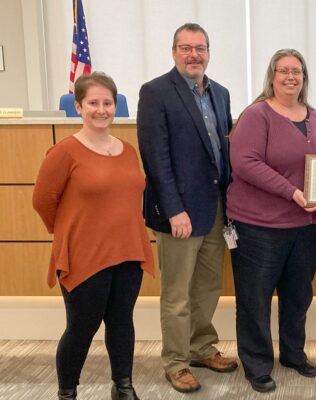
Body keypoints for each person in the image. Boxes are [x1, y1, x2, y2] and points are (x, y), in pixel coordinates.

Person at [226, 48, 316, 393]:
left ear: (305, 78)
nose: (291, 77)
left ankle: (293, 353)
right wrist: (291, 192)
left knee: (298, 295)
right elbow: (245, 162)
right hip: (259, 226)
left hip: (307, 227)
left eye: (297, 71)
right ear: (272, 76)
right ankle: (258, 365)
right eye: (284, 71)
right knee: (255, 298)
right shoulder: (256, 114)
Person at [32, 72, 155, 400]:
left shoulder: (128, 150)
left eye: (107, 103)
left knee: (121, 321)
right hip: (84, 254)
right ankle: (67, 392)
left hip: (128, 249)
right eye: (93, 103)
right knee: (82, 327)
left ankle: (123, 386)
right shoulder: (64, 152)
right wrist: (70, 232)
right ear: (78, 106)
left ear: (115, 106)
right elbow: (42, 201)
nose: (101, 110)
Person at [136, 23, 237, 394]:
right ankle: (176, 362)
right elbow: (155, 157)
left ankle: (200, 347)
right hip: (179, 212)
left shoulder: (220, 93)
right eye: (185, 47)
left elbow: (223, 153)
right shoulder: (156, 92)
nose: (193, 54)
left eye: (200, 47)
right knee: (176, 294)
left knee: (208, 286)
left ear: (209, 51)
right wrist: (173, 209)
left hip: (214, 208)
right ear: (174, 51)